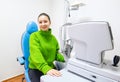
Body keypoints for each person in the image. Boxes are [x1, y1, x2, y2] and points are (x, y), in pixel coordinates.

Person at [28, 13, 65, 82]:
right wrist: (45, 68)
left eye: (45, 21)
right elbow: (35, 54)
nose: (43, 24)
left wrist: (66, 60)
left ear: (50, 22)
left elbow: (56, 54)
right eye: (40, 22)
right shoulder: (34, 36)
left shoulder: (53, 39)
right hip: (36, 68)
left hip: (50, 67)